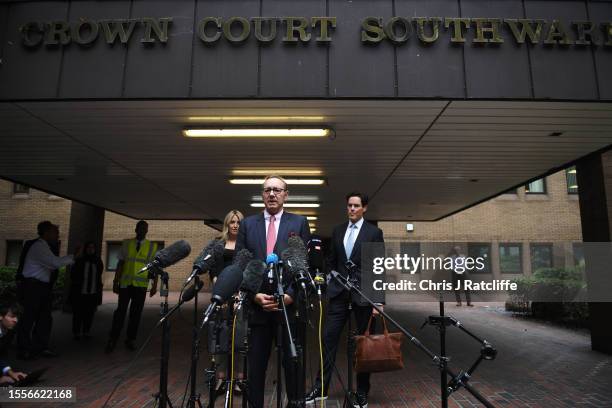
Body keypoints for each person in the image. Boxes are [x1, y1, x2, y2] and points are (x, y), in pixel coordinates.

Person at [235, 175, 310, 408]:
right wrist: (254, 294)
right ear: (262, 194)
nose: (272, 194)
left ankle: (295, 404)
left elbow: (303, 263)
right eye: (267, 190)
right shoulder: (248, 224)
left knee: (292, 363)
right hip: (259, 306)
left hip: (287, 306)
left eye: (277, 190)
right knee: (256, 365)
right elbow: (241, 263)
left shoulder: (298, 223)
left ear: (286, 194)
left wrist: (290, 295)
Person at [305, 192, 385, 408]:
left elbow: (378, 267)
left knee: (363, 345)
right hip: (339, 294)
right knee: (328, 339)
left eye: (356, 206)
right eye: (349, 205)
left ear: (364, 208)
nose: (351, 209)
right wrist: (332, 277)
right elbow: (331, 261)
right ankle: (320, 388)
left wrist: (378, 300)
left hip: (364, 297)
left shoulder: (374, 232)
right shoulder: (338, 230)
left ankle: (361, 391)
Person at [17, 221, 74, 360]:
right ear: (47, 232)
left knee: (44, 319)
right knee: (28, 318)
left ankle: (40, 347)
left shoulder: (46, 246)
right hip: (33, 287)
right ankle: (24, 349)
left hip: (41, 287)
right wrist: (74, 257)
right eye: (55, 232)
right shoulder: (38, 246)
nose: (57, 235)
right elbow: (55, 263)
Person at [105, 220, 158, 353]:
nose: (142, 230)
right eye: (140, 228)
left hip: (140, 286)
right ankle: (113, 338)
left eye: (145, 228)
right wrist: (115, 281)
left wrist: (154, 285)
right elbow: (120, 264)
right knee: (120, 312)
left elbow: (154, 267)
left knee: (136, 314)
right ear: (135, 229)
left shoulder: (152, 246)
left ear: (147, 231)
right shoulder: (127, 243)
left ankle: (130, 339)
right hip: (125, 285)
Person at [69, 241, 104, 340]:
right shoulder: (79, 261)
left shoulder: (97, 261)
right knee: (78, 314)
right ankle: (76, 332)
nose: (91, 249)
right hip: (80, 292)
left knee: (89, 313)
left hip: (92, 292)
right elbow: (73, 274)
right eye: (89, 247)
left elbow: (99, 274)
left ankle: (86, 332)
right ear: (85, 249)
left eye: (92, 247)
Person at [0, 304, 27, 385]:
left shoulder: (9, 330)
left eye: (17, 317)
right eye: (12, 316)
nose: (16, 320)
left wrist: (11, 373)